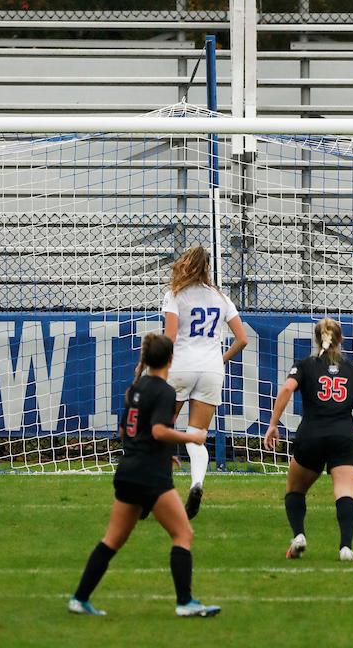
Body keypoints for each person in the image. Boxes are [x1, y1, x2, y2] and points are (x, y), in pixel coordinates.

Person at [69, 332, 220, 618]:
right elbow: (159, 431)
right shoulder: (164, 391)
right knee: (183, 533)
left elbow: (129, 430)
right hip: (151, 474)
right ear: (171, 360)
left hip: (128, 469)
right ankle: (185, 603)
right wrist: (193, 437)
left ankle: (79, 598)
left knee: (111, 540)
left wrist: (163, 449)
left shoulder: (136, 389)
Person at [264, 317, 353, 562]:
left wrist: (273, 424)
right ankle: (345, 547)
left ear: (316, 339)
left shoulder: (304, 365)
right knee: (345, 493)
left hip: (310, 436)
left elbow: (286, 389)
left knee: (295, 491)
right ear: (341, 339)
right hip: (343, 438)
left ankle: (299, 535)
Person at [162, 246, 248, 518]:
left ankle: (154, 489)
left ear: (186, 264)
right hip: (211, 370)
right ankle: (197, 482)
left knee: (162, 427)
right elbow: (242, 339)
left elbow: (170, 338)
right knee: (196, 436)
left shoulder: (175, 295)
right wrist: (219, 361)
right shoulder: (221, 298)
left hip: (182, 367)